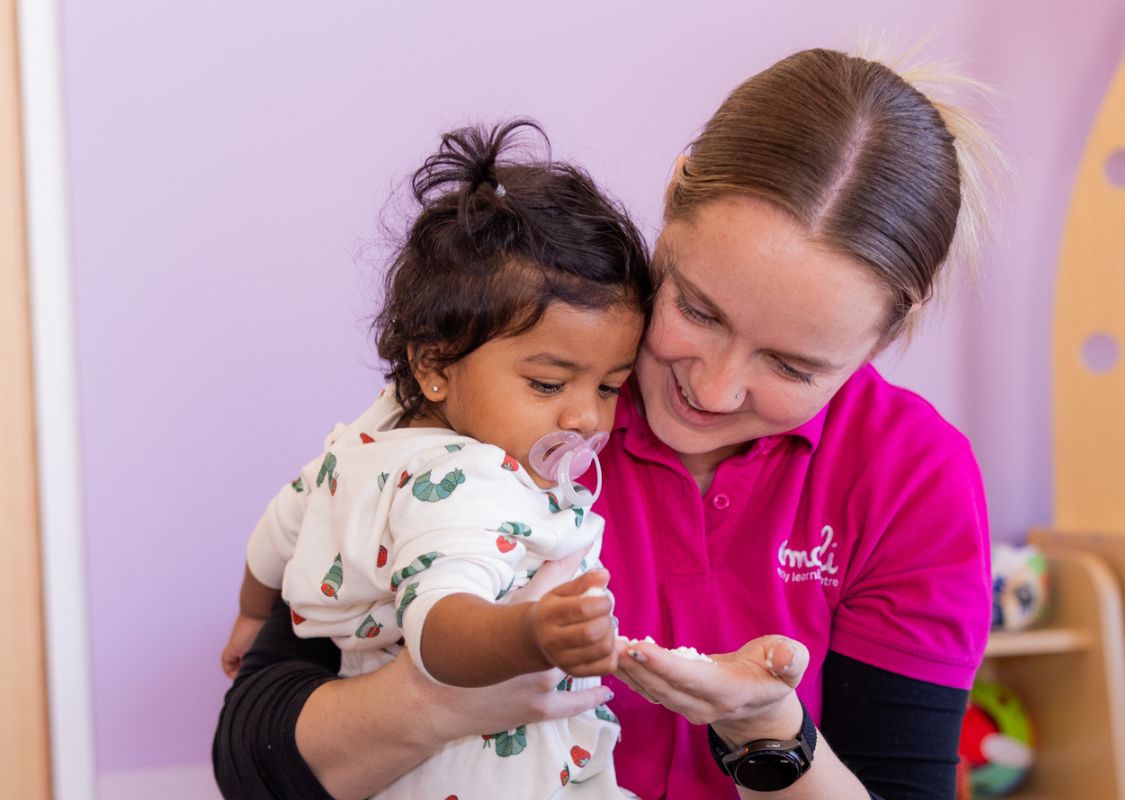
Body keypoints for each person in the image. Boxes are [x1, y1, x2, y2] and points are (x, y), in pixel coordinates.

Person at [214, 47, 996, 800]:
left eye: (792, 367)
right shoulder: (522, 388)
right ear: (672, 194)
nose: (716, 390)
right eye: (695, 309)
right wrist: (452, 698)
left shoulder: (912, 474)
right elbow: (255, 762)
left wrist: (767, 729)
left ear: (888, 334)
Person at [218, 119, 653, 799]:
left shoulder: (361, 443)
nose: (585, 417)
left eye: (608, 388)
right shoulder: (472, 484)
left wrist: (250, 617)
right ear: (434, 364)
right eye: (547, 383)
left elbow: (272, 541)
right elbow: (440, 633)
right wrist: (533, 633)